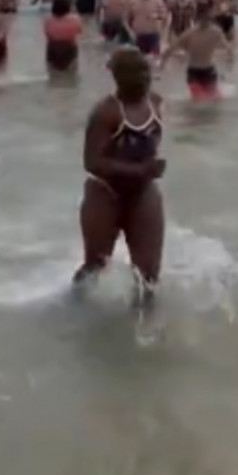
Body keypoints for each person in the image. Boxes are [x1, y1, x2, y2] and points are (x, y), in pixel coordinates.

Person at [75, 49, 166, 299]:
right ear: (118, 78)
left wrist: (147, 170)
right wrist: (139, 169)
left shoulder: (156, 103)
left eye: (146, 73)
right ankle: (75, 311)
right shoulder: (106, 112)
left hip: (143, 192)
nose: (143, 79)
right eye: (135, 74)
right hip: (105, 192)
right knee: (95, 265)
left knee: (148, 275)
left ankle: (145, 323)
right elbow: (91, 161)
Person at [160, 0, 233, 101]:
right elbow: (171, 48)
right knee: (199, 102)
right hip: (194, 72)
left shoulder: (216, 32)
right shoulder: (190, 33)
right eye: (202, 17)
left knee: (215, 101)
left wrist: (230, 63)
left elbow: (228, 48)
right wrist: (162, 66)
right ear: (197, 19)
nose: (205, 20)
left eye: (207, 17)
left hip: (209, 70)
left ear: (210, 18)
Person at [44, 0, 82, 77]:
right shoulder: (75, 19)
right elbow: (79, 32)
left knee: (53, 75)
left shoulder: (48, 20)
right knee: (72, 76)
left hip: (53, 48)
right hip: (70, 47)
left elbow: (47, 35)